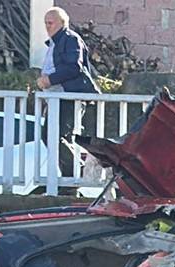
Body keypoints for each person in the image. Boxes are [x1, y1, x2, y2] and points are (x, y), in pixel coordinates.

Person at [37, 7, 98, 192]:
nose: (47, 27)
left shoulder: (70, 39)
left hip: (70, 95)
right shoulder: (55, 42)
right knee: (50, 135)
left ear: (62, 23)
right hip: (58, 97)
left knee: (58, 135)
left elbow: (74, 67)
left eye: (51, 23)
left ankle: (73, 177)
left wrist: (49, 79)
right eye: (46, 23)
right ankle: (70, 177)